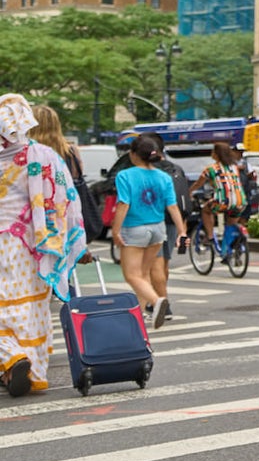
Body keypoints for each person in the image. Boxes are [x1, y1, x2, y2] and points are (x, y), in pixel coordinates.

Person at [0, 95, 86, 396]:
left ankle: (10, 357)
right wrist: (71, 240)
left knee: (4, 310)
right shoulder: (43, 154)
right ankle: (32, 372)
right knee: (33, 310)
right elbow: (67, 200)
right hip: (34, 245)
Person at [110, 133, 186, 330]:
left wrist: (115, 230)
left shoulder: (125, 175)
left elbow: (123, 204)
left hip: (134, 229)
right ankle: (139, 315)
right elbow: (173, 206)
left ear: (134, 154)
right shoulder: (163, 177)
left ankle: (157, 300)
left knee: (132, 275)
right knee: (143, 273)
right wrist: (182, 231)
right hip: (158, 229)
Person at [30, 105, 101, 248]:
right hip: (65, 214)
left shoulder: (29, 152)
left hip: (35, 212)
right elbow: (74, 177)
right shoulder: (70, 151)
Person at [195, 140, 247, 244]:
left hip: (222, 202)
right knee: (230, 225)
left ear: (216, 154)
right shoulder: (234, 167)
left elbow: (198, 184)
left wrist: (189, 192)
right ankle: (230, 250)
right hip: (240, 202)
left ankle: (210, 237)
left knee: (206, 210)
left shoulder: (210, 169)